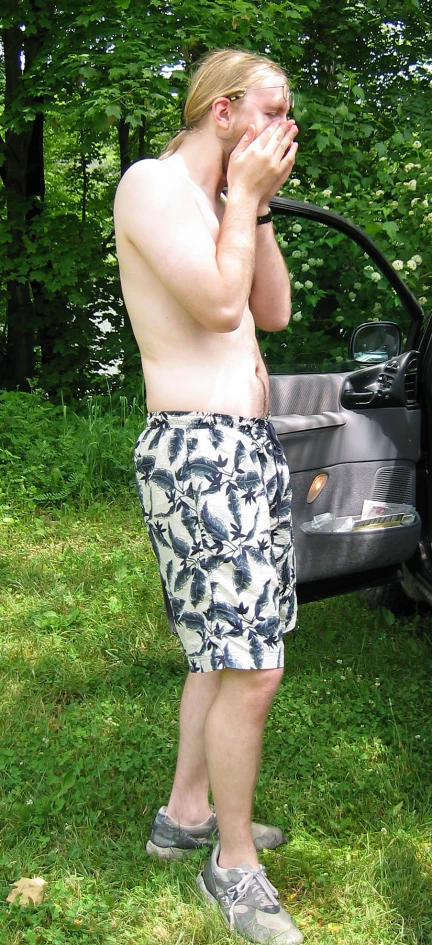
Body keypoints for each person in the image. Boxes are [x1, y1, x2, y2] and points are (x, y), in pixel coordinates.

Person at [114, 48, 302, 945]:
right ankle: (231, 863)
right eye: (272, 111)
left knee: (221, 654)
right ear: (223, 111)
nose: (285, 131)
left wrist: (252, 205)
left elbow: (273, 309)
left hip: (247, 446)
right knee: (253, 663)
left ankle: (186, 812)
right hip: (199, 448)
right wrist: (239, 199)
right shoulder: (151, 186)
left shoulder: (230, 203)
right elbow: (220, 307)